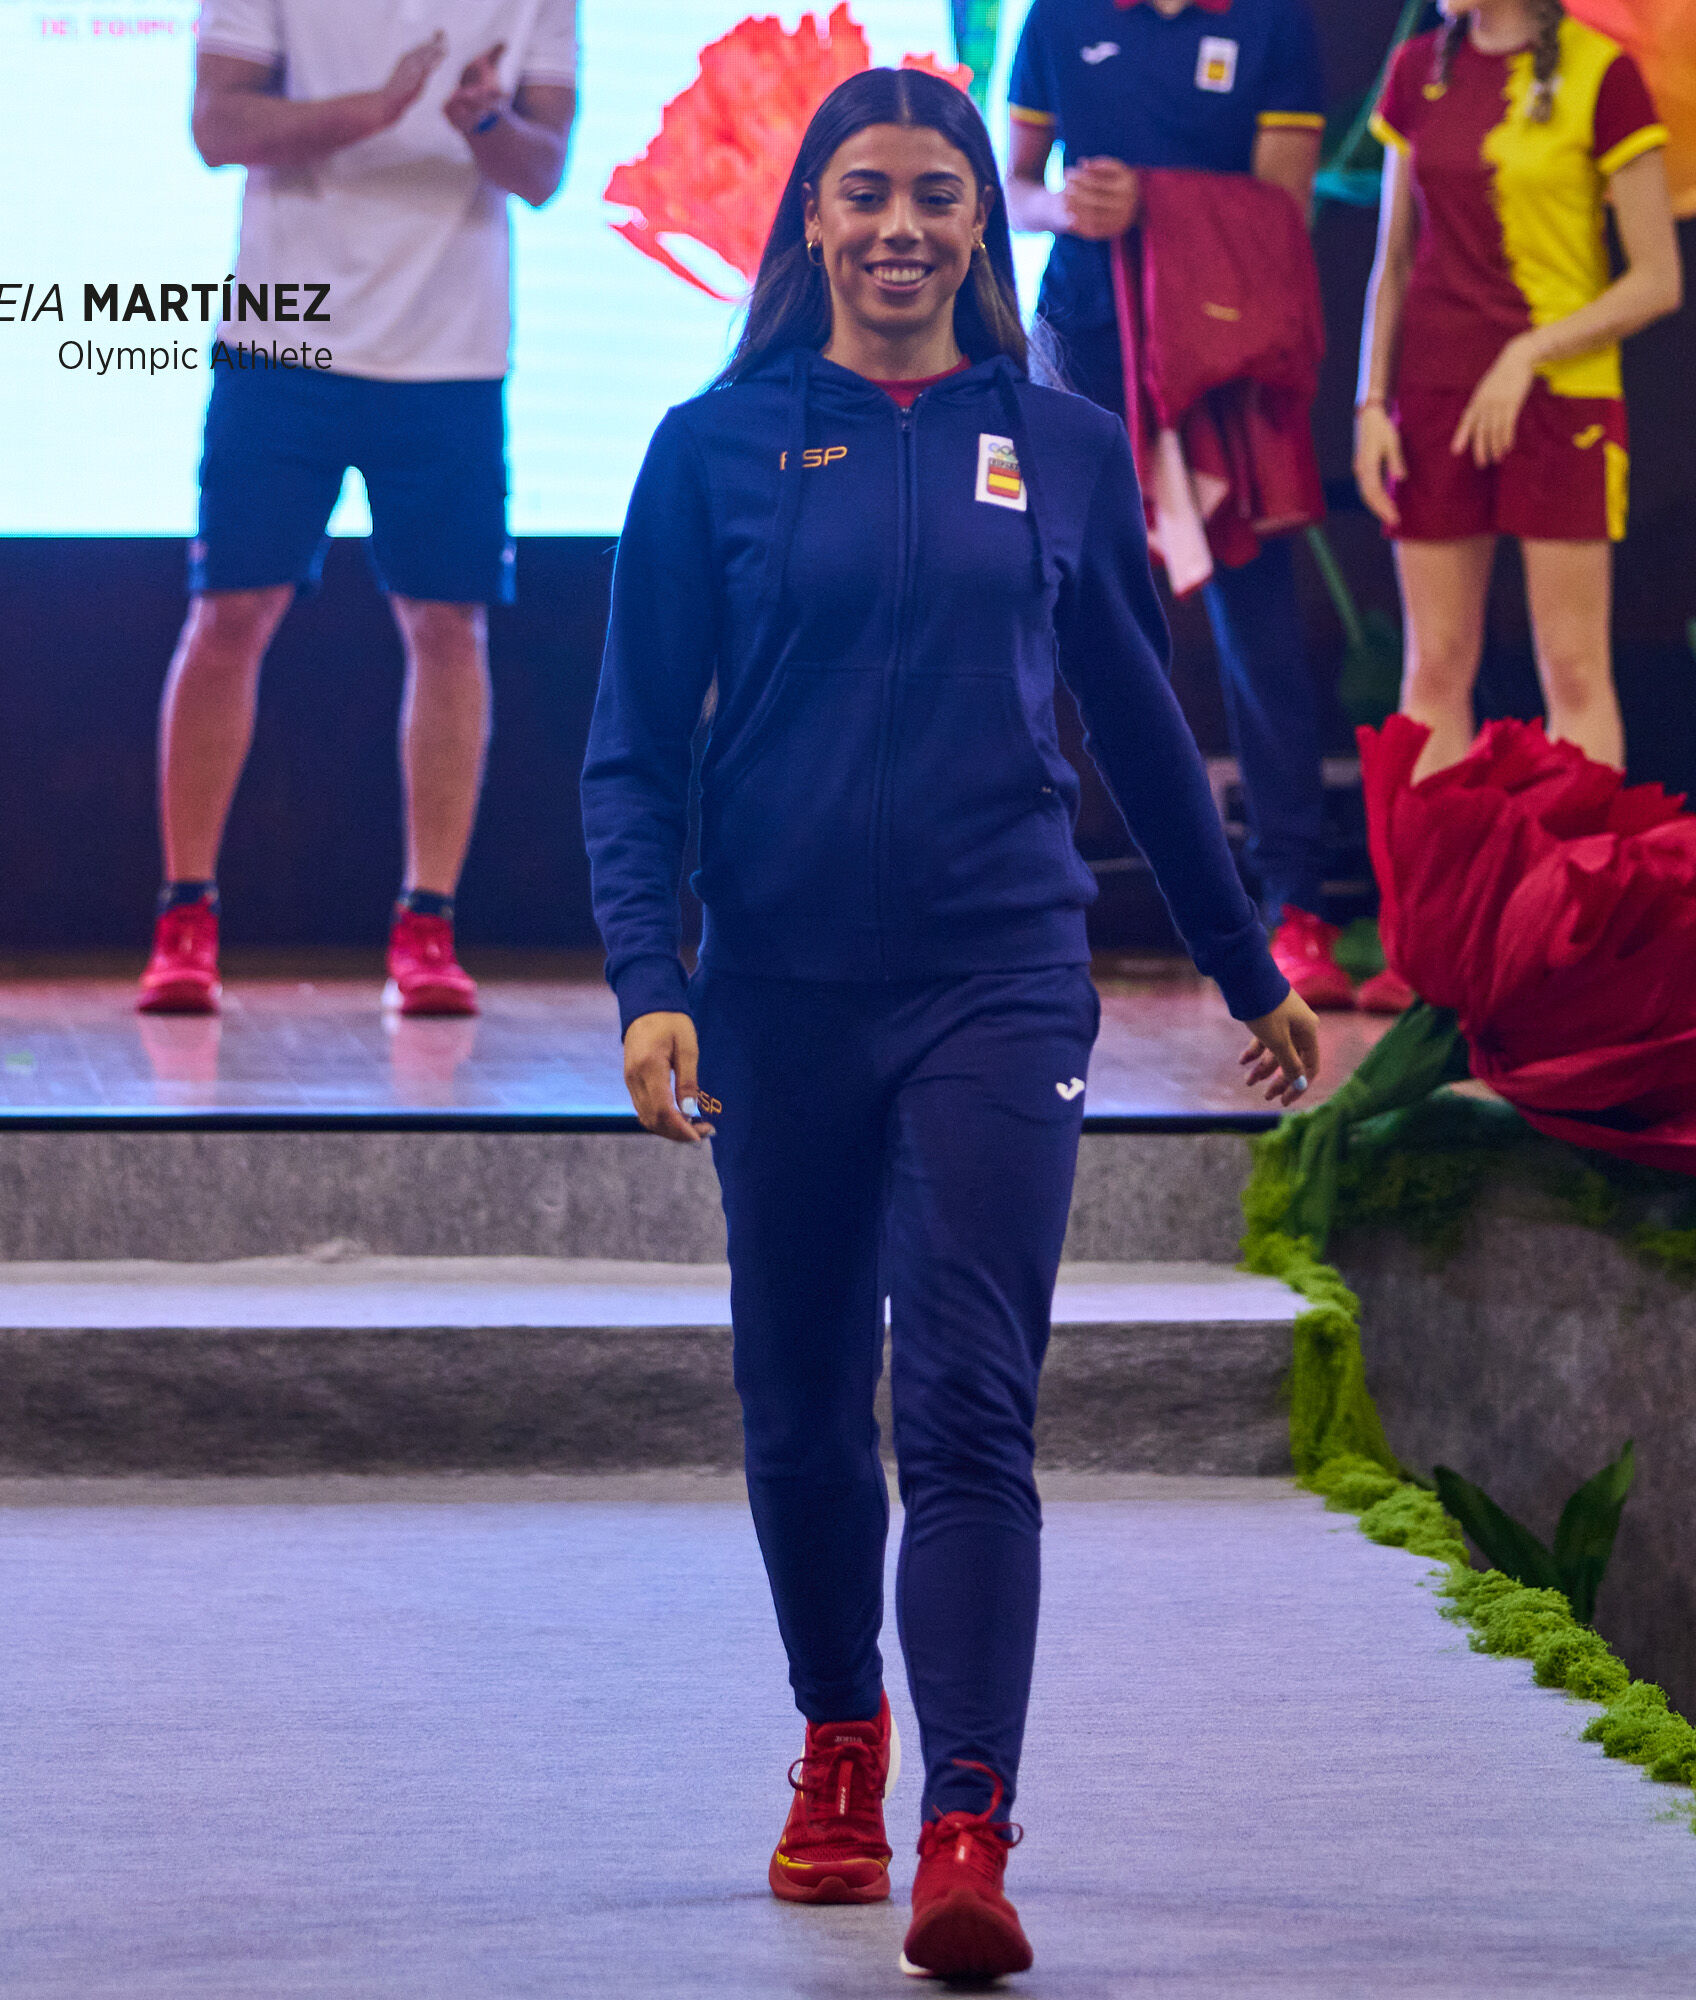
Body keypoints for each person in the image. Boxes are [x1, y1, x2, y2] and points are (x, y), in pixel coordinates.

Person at [581, 66, 1319, 1985]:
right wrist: (652, 982)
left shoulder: (1059, 446)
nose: (901, 227)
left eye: (937, 196)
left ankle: (967, 1830)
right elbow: (635, 753)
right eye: (864, 194)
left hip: (1002, 973)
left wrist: (1248, 969)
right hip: (780, 993)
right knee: (804, 1405)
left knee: (972, 1397)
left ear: (987, 228)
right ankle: (843, 1739)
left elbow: (1146, 734)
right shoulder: (712, 447)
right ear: (809, 221)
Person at [139, 1, 577, 1018]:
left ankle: (428, 923)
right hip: (281, 339)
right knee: (228, 615)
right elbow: (217, 127)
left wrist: (481, 122)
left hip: (451, 351)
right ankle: (184, 916)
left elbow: (543, 169)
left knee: (447, 626)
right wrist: (370, 110)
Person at [1002, 0, 1368, 1008]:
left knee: (1256, 622)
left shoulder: (1270, 22)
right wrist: (1069, 209)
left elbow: (1283, 200)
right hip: (1081, 337)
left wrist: (1151, 200)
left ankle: (1293, 910)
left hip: (1219, 348)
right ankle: (1008, 895)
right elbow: (1014, 184)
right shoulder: (1059, 17)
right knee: (1033, 606)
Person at [1354, 0, 1681, 783]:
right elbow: (1391, 262)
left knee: (1572, 671)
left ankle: (1579, 898)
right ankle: (1434, 903)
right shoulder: (1414, 69)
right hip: (1431, 400)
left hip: (1563, 398)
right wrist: (1370, 404)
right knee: (1433, 670)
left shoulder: (1602, 72)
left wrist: (1528, 354)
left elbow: (1658, 280)